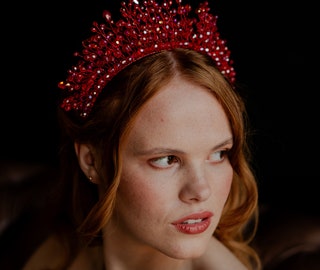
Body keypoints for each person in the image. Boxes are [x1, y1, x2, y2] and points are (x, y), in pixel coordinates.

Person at [23, 0, 261, 269]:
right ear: (93, 160)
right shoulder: (59, 254)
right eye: (167, 159)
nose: (201, 190)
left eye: (219, 154)